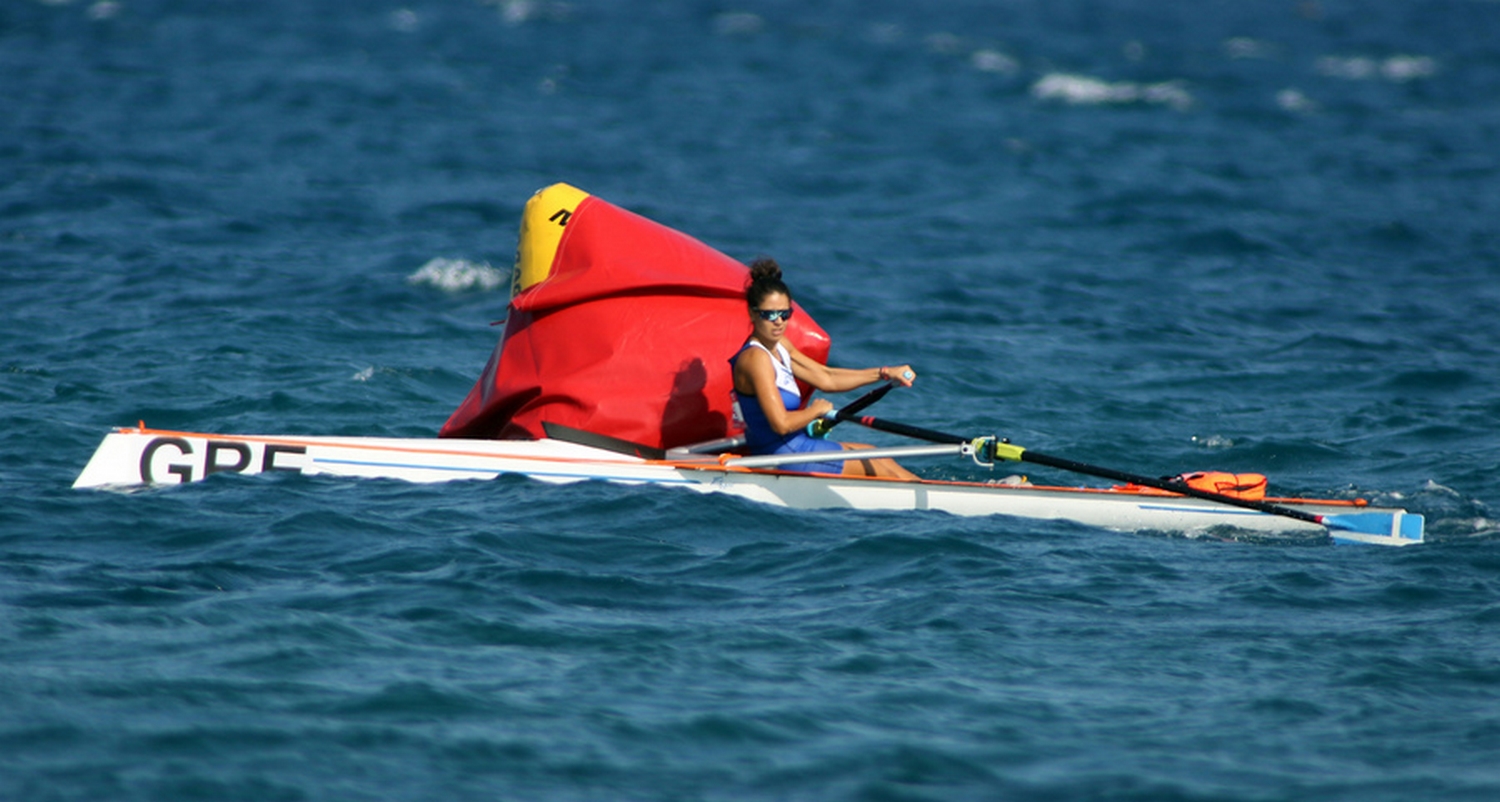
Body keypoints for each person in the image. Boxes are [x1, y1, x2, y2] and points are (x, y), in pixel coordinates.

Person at [731, 257, 919, 479]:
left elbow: (826, 377)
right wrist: (814, 411)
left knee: (877, 455)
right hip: (782, 454)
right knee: (880, 469)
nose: (779, 321)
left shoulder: (780, 346)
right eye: (769, 314)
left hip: (797, 445)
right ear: (753, 314)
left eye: (784, 314)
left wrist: (884, 372)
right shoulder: (755, 358)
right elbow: (781, 424)